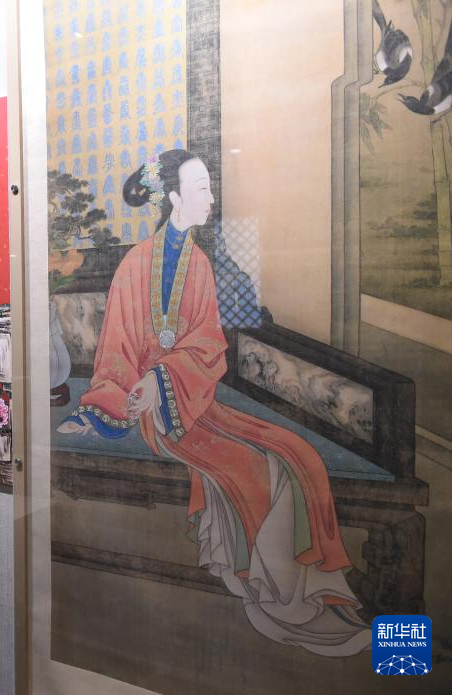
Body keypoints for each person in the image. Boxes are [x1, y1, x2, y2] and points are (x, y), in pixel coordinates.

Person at [57, 150, 371, 656]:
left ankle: (315, 593)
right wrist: (124, 396)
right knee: (252, 468)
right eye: (201, 187)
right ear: (174, 197)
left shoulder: (199, 263)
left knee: (298, 454)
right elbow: (114, 353)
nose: (211, 196)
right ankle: (277, 600)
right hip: (154, 410)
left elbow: (208, 342)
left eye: (209, 186)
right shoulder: (134, 265)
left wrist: (163, 375)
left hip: (190, 395)